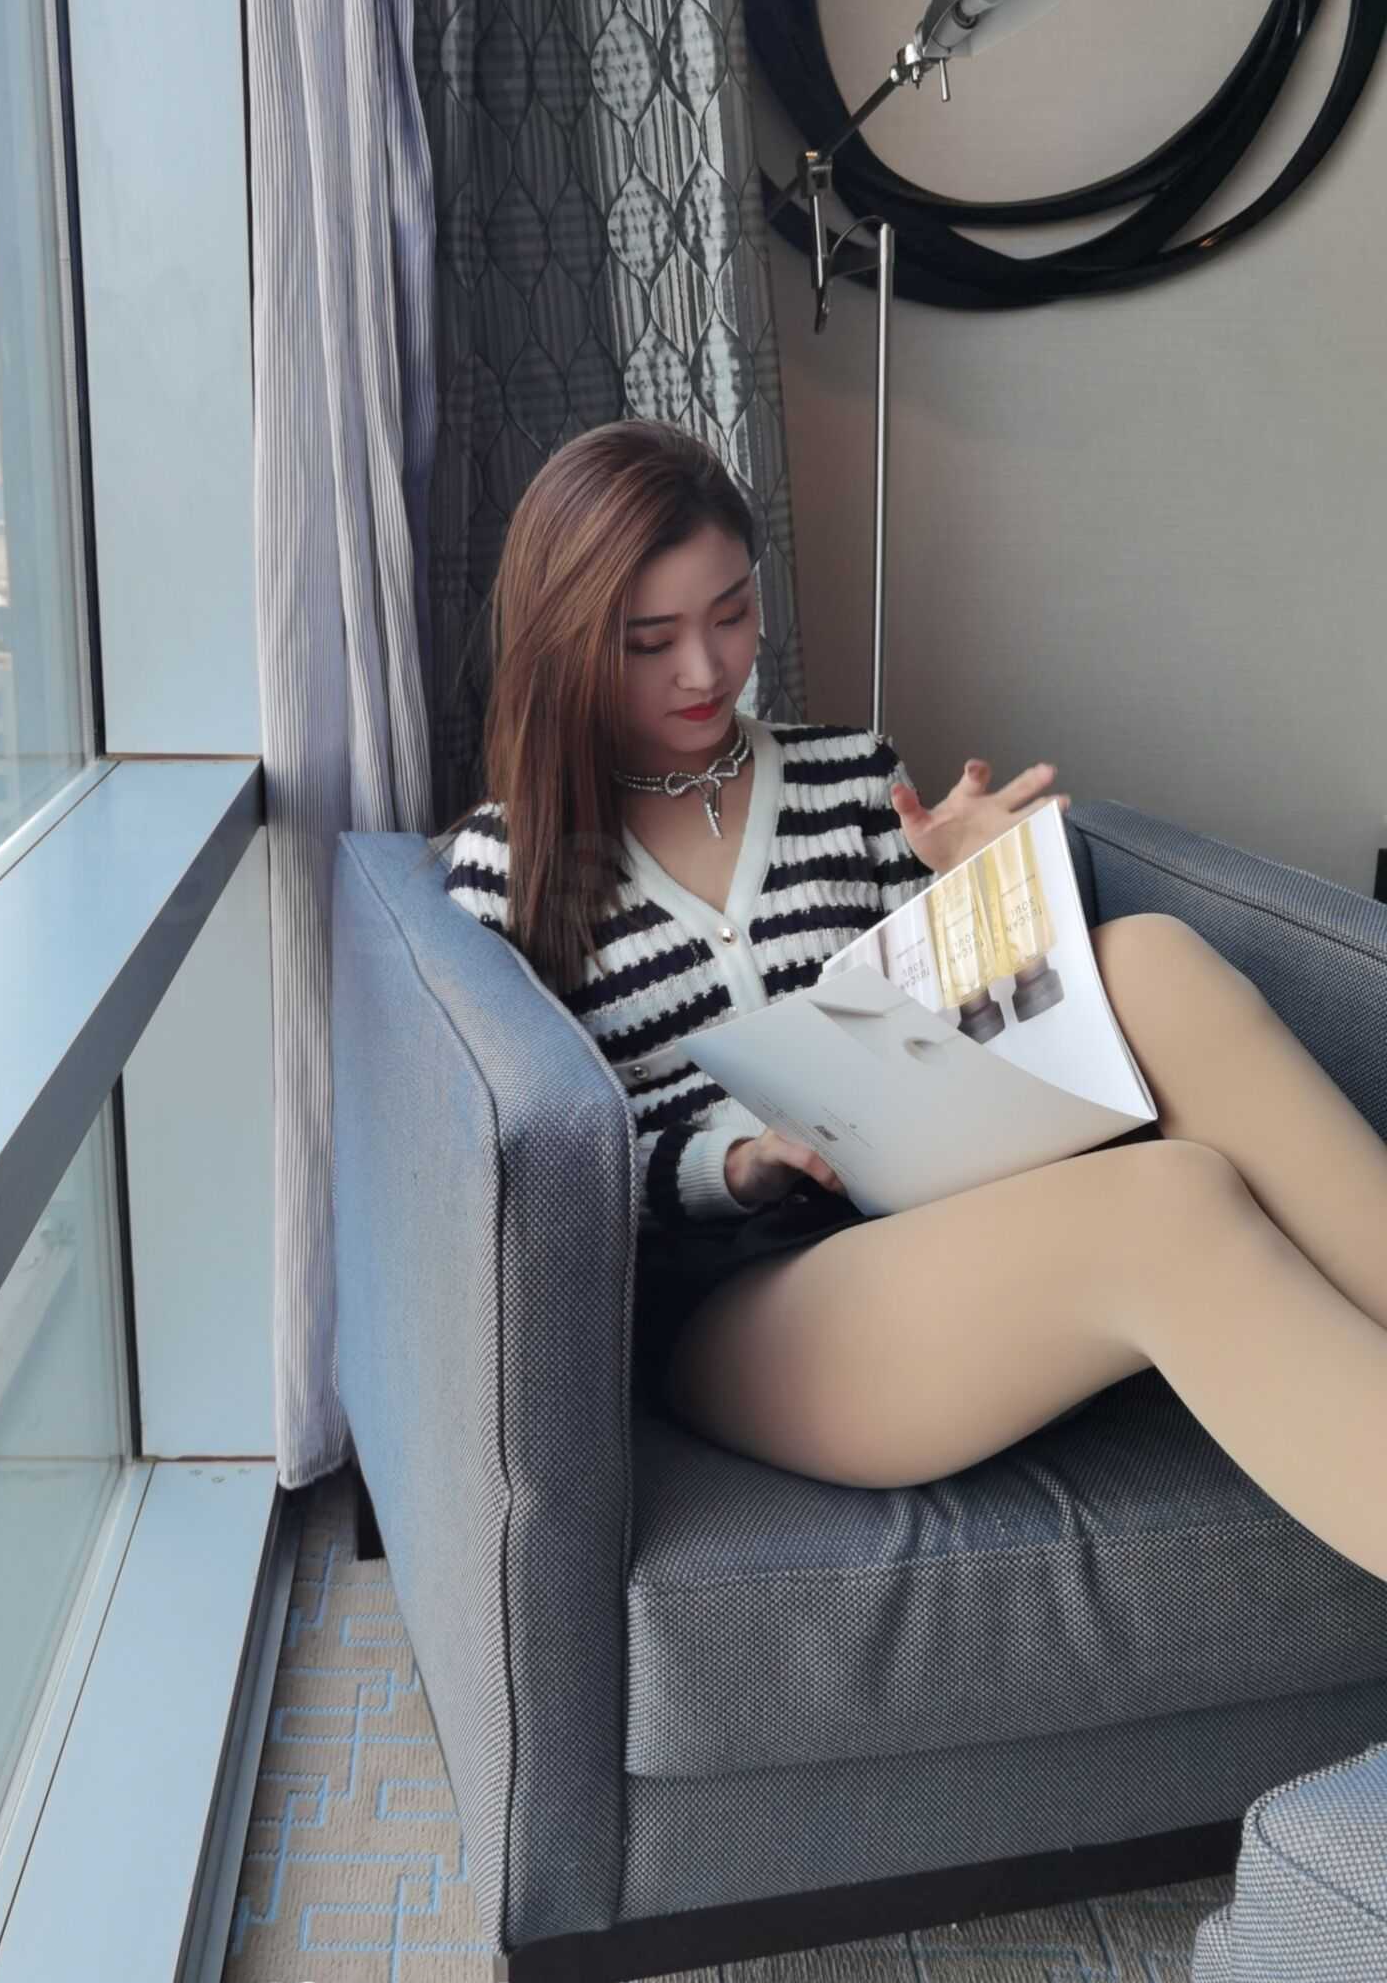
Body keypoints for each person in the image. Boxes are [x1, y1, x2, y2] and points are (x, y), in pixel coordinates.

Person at [434, 418, 1387, 1587]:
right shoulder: (512, 866)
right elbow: (528, 1168)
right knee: (1172, 1202)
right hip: (738, 1303)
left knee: (1150, 960)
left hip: (938, 1212)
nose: (706, 670)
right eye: (650, 641)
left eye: (731, 613)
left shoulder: (853, 779)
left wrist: (993, 889)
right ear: (571, 642)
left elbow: (951, 1025)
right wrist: (736, 1162)